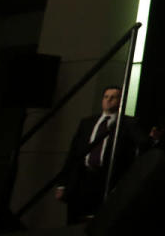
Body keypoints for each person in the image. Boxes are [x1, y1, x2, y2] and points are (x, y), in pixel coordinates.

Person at [55, 86, 151, 224]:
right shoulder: (87, 123)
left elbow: (142, 143)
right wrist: (62, 184)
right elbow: (73, 154)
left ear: (120, 101)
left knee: (100, 219)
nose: (109, 100)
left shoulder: (127, 123)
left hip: (106, 178)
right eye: (106, 97)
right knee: (74, 220)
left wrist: (152, 139)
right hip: (81, 179)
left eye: (113, 97)